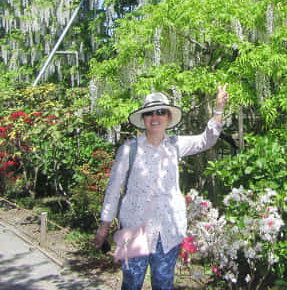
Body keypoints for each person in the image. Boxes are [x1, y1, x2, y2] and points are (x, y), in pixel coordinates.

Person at [94, 83, 229, 290]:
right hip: (134, 229)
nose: (155, 117)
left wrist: (218, 109)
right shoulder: (128, 150)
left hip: (168, 230)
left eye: (160, 112)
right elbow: (113, 190)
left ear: (168, 118)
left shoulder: (176, 144)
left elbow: (206, 140)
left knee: (164, 283)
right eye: (150, 113)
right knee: (131, 283)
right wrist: (104, 227)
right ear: (143, 119)